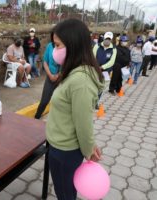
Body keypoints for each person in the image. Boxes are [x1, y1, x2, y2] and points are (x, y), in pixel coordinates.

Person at [46, 19, 104, 200]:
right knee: (64, 191)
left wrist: (89, 150)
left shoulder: (81, 81)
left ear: (73, 45)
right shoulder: (74, 72)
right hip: (59, 145)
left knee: (65, 194)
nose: (55, 51)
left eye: (58, 45)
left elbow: (83, 122)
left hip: (65, 151)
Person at [34, 32, 60, 119]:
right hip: (50, 77)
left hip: (61, 79)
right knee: (44, 101)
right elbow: (45, 61)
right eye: (54, 36)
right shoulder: (50, 46)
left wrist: (58, 75)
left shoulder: (66, 47)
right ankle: (36, 118)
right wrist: (50, 75)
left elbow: (67, 65)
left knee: (59, 103)